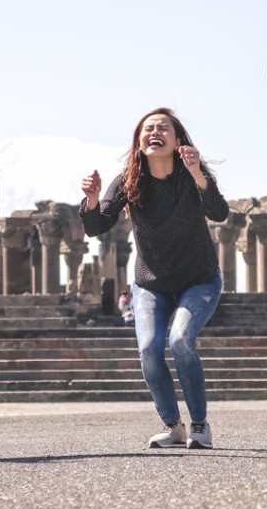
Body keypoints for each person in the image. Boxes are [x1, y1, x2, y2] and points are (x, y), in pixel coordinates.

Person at [81, 109, 229, 449]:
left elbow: (219, 213)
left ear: (178, 141)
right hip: (150, 282)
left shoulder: (193, 173)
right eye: (148, 128)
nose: (155, 132)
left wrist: (197, 174)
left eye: (163, 128)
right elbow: (96, 226)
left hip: (199, 279)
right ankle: (172, 426)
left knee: (180, 340)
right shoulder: (129, 179)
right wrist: (91, 200)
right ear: (138, 141)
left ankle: (200, 425)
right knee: (149, 349)